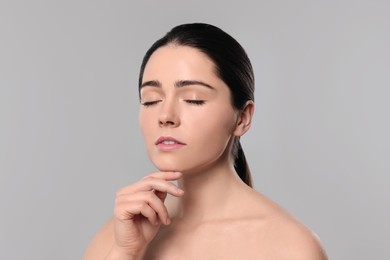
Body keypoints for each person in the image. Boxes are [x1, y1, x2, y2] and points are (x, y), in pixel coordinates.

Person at [83, 23, 327, 260]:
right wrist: (125, 253)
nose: (166, 116)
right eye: (151, 100)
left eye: (193, 99)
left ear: (242, 118)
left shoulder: (290, 247)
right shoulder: (119, 236)